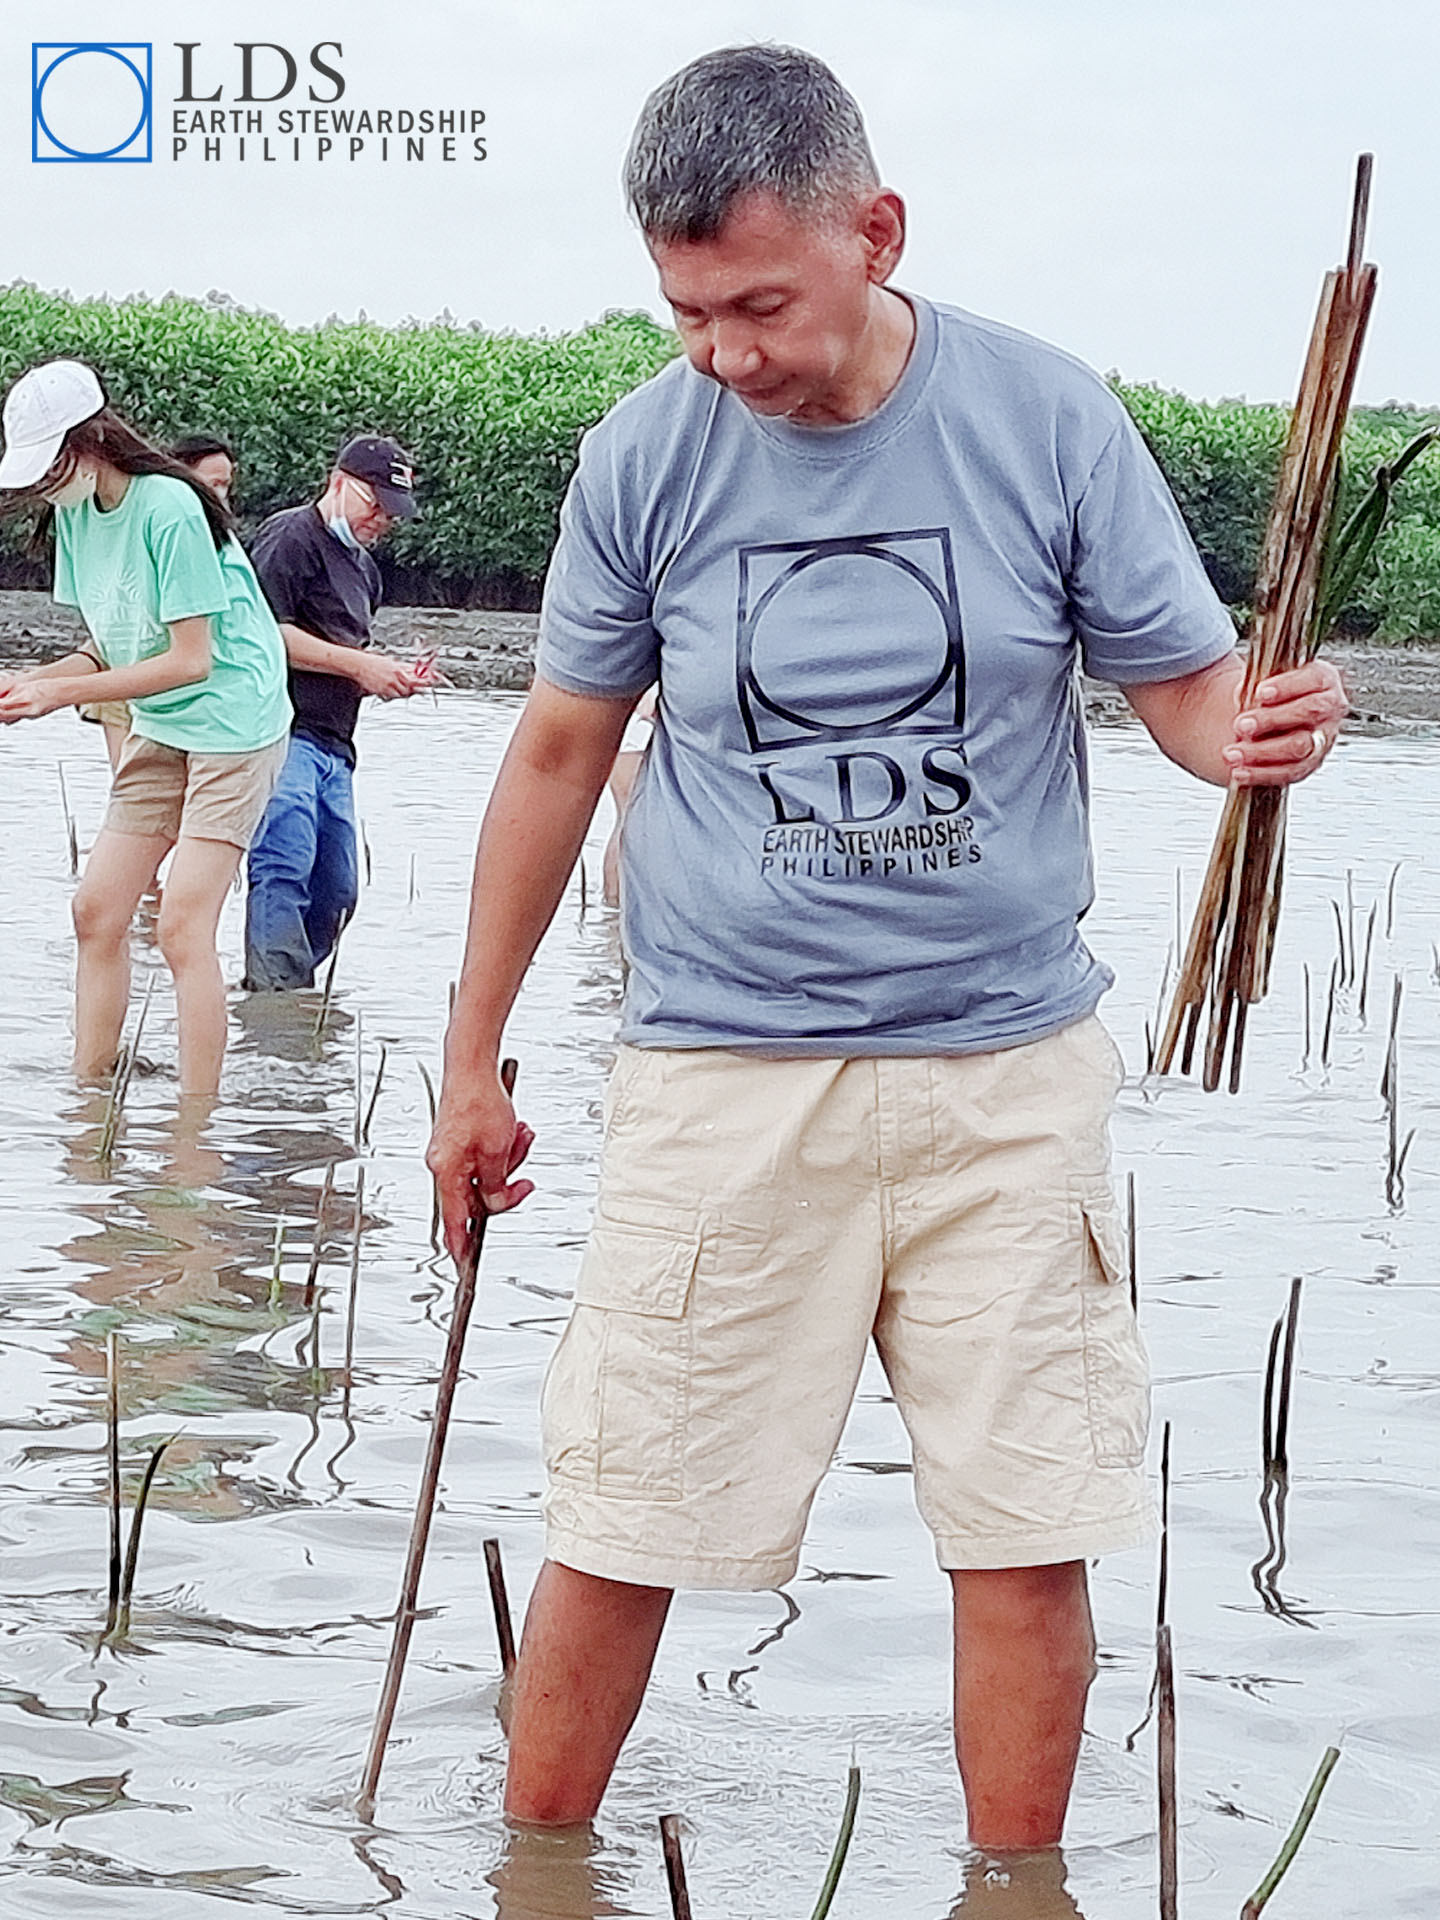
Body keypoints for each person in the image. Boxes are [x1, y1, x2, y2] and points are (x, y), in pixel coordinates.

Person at [425, 45, 1346, 1870]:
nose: (727, 354)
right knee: (625, 1512)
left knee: (1024, 1520)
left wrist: (1250, 729)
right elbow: (555, 754)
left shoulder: (1048, 418)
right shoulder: (646, 451)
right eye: (688, 312)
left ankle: (1019, 1894)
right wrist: (470, 1058)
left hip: (1003, 1072)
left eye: (760, 302)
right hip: (718, 1066)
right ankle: (539, 1881)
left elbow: (1180, 681)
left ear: (878, 233)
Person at [0, 360, 291, 1097]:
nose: (43, 486)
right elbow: (112, 641)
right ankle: (90, 1097)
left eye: (51, 465)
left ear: (92, 438)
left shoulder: (169, 507)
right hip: (163, 722)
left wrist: (61, 696)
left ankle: (195, 1124)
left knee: (182, 926)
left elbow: (190, 658)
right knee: (96, 911)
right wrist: (37, 680)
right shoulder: (73, 515)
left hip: (235, 719)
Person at [242, 436, 429, 991]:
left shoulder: (365, 571)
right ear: (340, 483)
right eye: (376, 505)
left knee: (338, 887)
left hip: (335, 744)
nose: (383, 521)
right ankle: (274, 998)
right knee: (284, 866)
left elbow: (344, 658)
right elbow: (262, 636)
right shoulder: (290, 537)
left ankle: (292, 989)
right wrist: (358, 665)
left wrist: (385, 677)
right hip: (283, 731)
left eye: (393, 512)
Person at [77, 435, 238, 772]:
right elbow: (116, 624)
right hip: (130, 676)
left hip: (196, 706)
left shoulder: (213, 543)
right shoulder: (157, 515)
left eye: (226, 486)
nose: (220, 495)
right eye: (213, 484)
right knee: (127, 777)